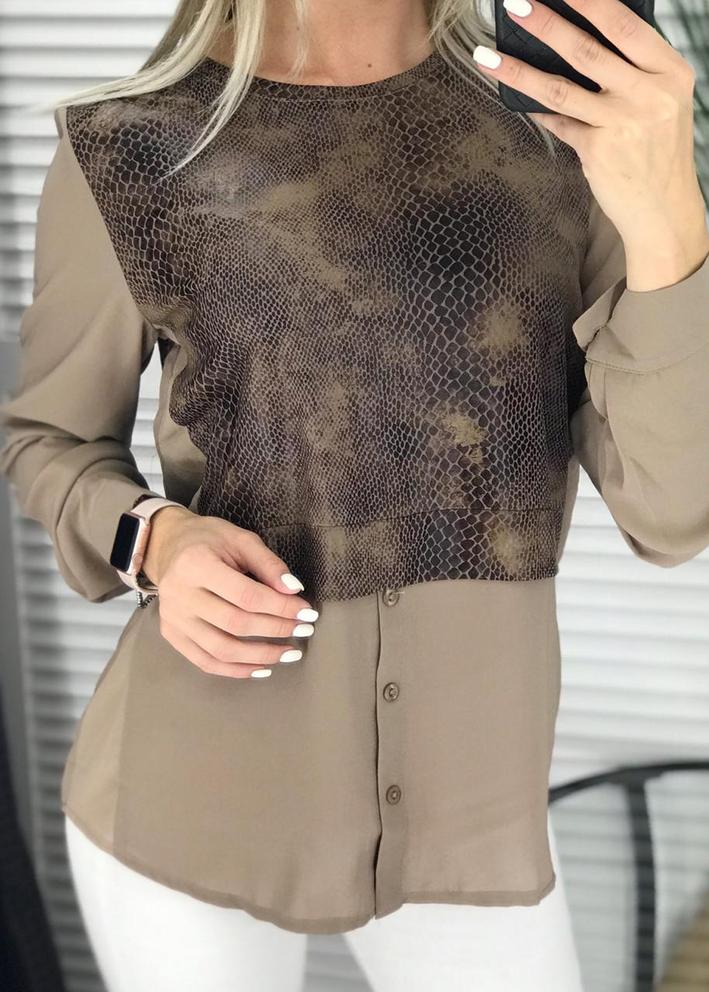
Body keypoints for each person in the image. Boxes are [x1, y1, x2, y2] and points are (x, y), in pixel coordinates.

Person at [2, 0, 709, 989]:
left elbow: (672, 510)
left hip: (474, 817)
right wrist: (154, 539)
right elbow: (46, 439)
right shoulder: (129, 147)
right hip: (193, 802)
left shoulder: (563, 132)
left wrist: (672, 213)